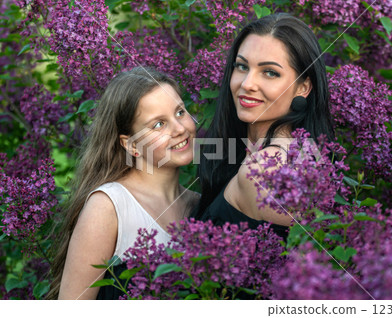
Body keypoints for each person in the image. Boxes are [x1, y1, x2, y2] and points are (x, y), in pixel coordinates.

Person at [47, 67, 198, 300]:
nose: (180, 129)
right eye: (158, 124)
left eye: (180, 112)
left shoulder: (200, 204)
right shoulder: (109, 206)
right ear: (131, 145)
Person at [193, 13, 334, 238]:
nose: (247, 84)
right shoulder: (299, 153)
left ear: (303, 88)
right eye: (241, 67)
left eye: (270, 72)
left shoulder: (264, 171)